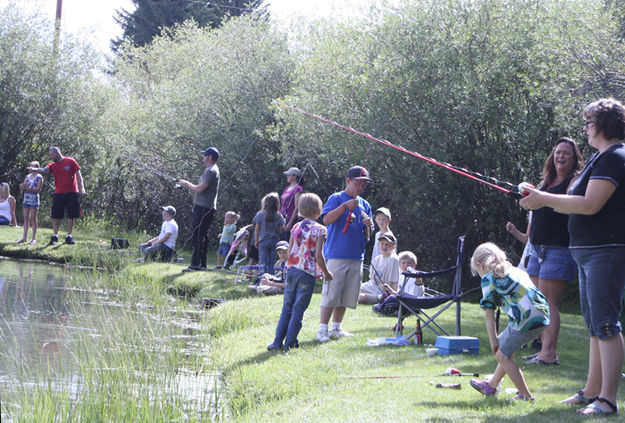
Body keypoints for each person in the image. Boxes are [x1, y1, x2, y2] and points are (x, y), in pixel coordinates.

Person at [520, 98, 625, 416]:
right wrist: (537, 195)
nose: (585, 129)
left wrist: (543, 200)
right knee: (595, 325)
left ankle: (607, 399)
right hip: (587, 251)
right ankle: (591, 392)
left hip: (606, 251)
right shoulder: (600, 158)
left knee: (606, 323)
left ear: (604, 124)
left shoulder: (616, 157)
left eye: (588, 122)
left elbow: (591, 204)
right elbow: (571, 198)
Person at [507, 137, 584, 366]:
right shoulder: (545, 182)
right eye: (558, 152)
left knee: (548, 301)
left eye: (566, 153)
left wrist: (541, 199)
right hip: (536, 249)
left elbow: (570, 204)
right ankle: (542, 350)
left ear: (574, 158)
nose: (561, 157)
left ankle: (549, 353)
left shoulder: (574, 182)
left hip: (559, 248)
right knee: (537, 301)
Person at [469, 242, 550, 402]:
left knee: (502, 355)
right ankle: (491, 386)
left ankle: (526, 396)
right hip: (542, 313)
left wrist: (493, 342)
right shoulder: (514, 269)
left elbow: (489, 313)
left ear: (480, 265)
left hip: (525, 318)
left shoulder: (489, 278)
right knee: (506, 350)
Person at [268, 193, 332, 351]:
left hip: (291, 271)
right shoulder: (320, 230)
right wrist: (326, 272)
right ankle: (289, 344)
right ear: (318, 211)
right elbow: (318, 255)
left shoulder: (296, 227)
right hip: (306, 274)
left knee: (287, 307)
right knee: (298, 310)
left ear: (301, 210)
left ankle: (277, 342)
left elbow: (289, 254)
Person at [316, 166, 373, 342]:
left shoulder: (365, 204)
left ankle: (336, 327)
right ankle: (322, 329)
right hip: (337, 254)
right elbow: (326, 220)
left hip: (356, 255)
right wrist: (344, 207)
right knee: (331, 293)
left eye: (363, 184)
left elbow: (369, 233)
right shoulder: (336, 198)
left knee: (347, 294)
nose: (361, 187)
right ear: (348, 181)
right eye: (358, 183)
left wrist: (369, 226)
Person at [28, 146, 86, 245]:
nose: (51, 156)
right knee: (56, 215)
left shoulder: (70, 161)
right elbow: (45, 170)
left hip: (72, 192)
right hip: (59, 193)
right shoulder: (53, 165)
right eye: (50, 155)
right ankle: (55, 236)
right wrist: (35, 170)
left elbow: (78, 175)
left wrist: (82, 187)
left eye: (52, 154)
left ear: (58, 153)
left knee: (71, 214)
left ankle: (69, 236)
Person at [178, 147, 220, 271]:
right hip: (206, 208)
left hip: (203, 209)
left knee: (198, 236)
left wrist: (187, 184)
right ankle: (201, 264)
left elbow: (200, 189)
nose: (203, 157)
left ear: (210, 157)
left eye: (205, 155)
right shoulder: (211, 170)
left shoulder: (211, 171)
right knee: (202, 236)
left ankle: (195, 265)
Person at [359, 233, 399, 304]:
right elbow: (372, 280)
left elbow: (395, 284)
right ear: (378, 245)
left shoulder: (394, 259)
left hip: (383, 293)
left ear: (393, 246)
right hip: (372, 287)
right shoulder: (377, 259)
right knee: (352, 290)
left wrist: (391, 294)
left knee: (360, 298)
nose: (384, 246)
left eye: (387, 244)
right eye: (382, 243)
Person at [254, 192, 285, 276]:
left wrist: (256, 240)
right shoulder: (279, 216)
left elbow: (257, 229)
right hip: (274, 241)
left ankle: (262, 279)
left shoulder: (260, 214)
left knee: (262, 262)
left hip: (263, 240)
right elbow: (281, 231)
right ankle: (271, 278)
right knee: (271, 263)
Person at [17, 161, 44, 244]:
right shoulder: (27, 176)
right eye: (30, 166)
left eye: (32, 166)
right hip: (26, 198)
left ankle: (33, 238)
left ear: (37, 167)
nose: (30, 168)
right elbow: (23, 188)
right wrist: (22, 187)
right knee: (26, 218)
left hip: (34, 199)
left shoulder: (39, 177)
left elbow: (38, 190)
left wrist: (28, 188)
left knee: (33, 218)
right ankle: (24, 237)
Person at [280, 167, 304, 241]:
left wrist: (290, 223)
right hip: (282, 218)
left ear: (295, 176)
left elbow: (297, 207)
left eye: (289, 175)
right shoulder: (287, 188)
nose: (287, 176)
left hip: (290, 218)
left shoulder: (298, 189)